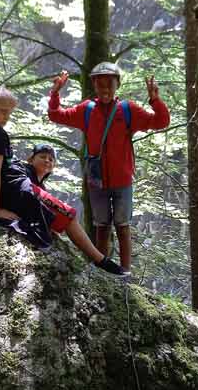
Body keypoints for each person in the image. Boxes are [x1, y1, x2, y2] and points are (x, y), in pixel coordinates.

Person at [0, 86, 124, 275]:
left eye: (9, 113)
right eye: (3, 111)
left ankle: (99, 259)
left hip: (9, 192)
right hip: (18, 191)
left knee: (59, 216)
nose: (6, 117)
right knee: (68, 215)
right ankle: (101, 260)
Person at [48, 62, 169, 274]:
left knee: (123, 226)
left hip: (123, 180)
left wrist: (155, 100)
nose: (105, 89)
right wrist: (55, 93)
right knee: (101, 226)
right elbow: (56, 115)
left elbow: (161, 121)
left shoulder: (128, 110)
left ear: (117, 85)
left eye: (109, 84)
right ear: (94, 85)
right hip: (96, 180)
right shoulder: (87, 110)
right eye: (100, 84)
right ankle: (103, 271)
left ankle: (125, 272)